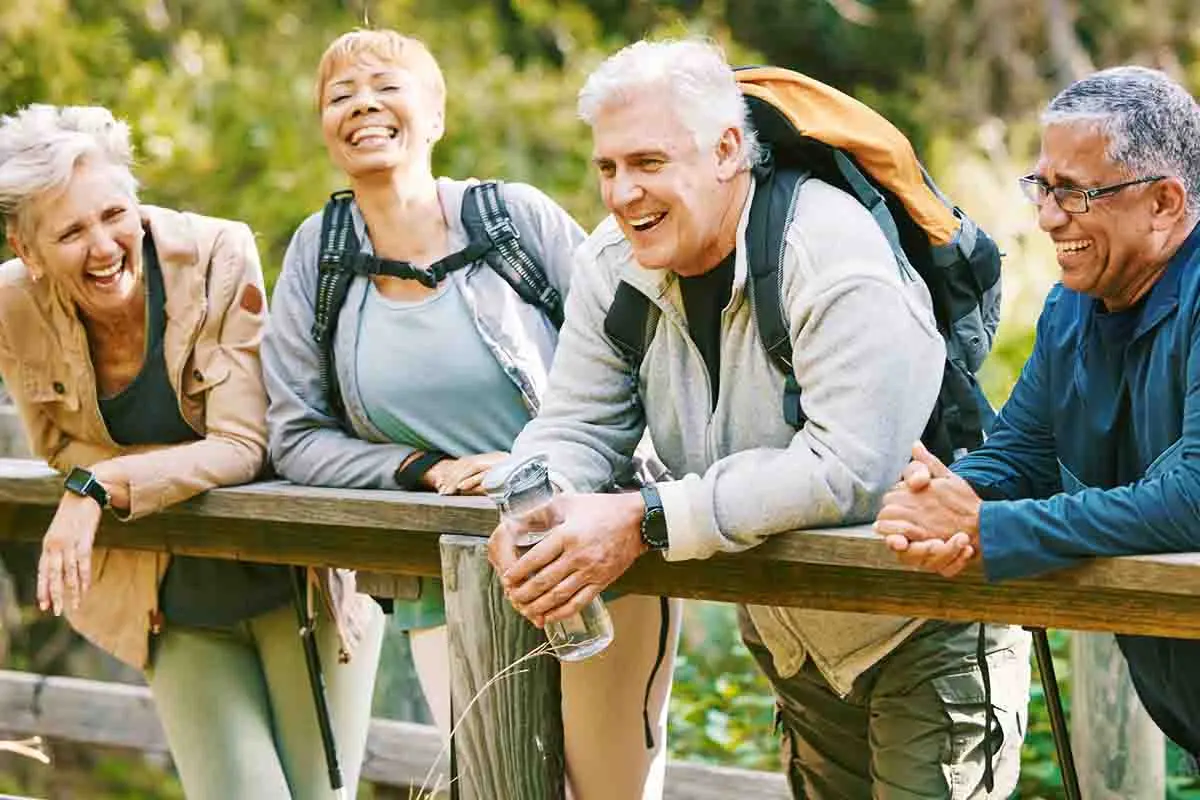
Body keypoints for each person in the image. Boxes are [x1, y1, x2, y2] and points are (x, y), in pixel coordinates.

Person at [487, 38, 1031, 799]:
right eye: (607, 167)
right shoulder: (612, 263)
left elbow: (849, 470)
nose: (620, 193)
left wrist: (643, 519)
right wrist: (536, 498)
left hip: (926, 622)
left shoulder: (829, 247)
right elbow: (576, 420)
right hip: (794, 635)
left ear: (726, 151)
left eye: (647, 163)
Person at [261, 29, 680, 800]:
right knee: (496, 789)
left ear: (436, 114)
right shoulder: (317, 255)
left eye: (385, 85)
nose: (362, 105)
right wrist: (422, 468)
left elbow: (636, 354)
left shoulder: (512, 220)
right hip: (443, 577)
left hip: (591, 552)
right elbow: (293, 436)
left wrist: (534, 464)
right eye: (338, 95)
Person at [0, 104, 383, 798]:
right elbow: (57, 446)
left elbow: (242, 444)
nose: (105, 245)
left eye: (115, 213)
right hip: (169, 602)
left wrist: (101, 484)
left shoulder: (217, 254)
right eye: (70, 232)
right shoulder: (12, 304)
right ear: (27, 251)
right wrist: (121, 473)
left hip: (297, 589)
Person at [875, 65, 1200, 759]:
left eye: (1077, 193)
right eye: (1044, 188)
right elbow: (1025, 449)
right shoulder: (1072, 306)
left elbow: (1195, 498)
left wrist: (990, 527)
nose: (1050, 218)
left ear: (1166, 201)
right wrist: (953, 494)